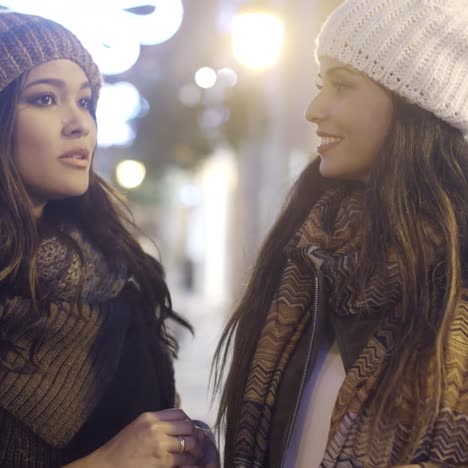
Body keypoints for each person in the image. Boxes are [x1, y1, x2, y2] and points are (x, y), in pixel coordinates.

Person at [214, 0, 468, 466]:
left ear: (415, 105)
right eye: (318, 85)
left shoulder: (455, 283)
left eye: (342, 85)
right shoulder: (307, 255)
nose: (314, 109)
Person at [0, 10, 219, 468]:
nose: (79, 123)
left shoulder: (116, 271)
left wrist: (187, 446)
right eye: (44, 99)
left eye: (85, 102)